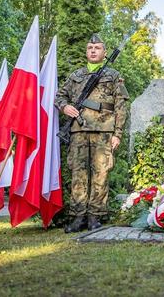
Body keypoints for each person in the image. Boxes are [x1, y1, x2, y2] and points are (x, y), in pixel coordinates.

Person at [55, 34, 129, 232]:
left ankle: (95, 216)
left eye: (97, 47)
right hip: (78, 130)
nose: (93, 50)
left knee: (101, 173)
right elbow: (59, 96)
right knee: (78, 174)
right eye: (90, 47)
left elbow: (121, 106)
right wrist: (65, 108)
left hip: (104, 131)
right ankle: (78, 217)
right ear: (86, 51)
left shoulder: (113, 76)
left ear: (104, 53)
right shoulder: (75, 75)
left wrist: (117, 133)